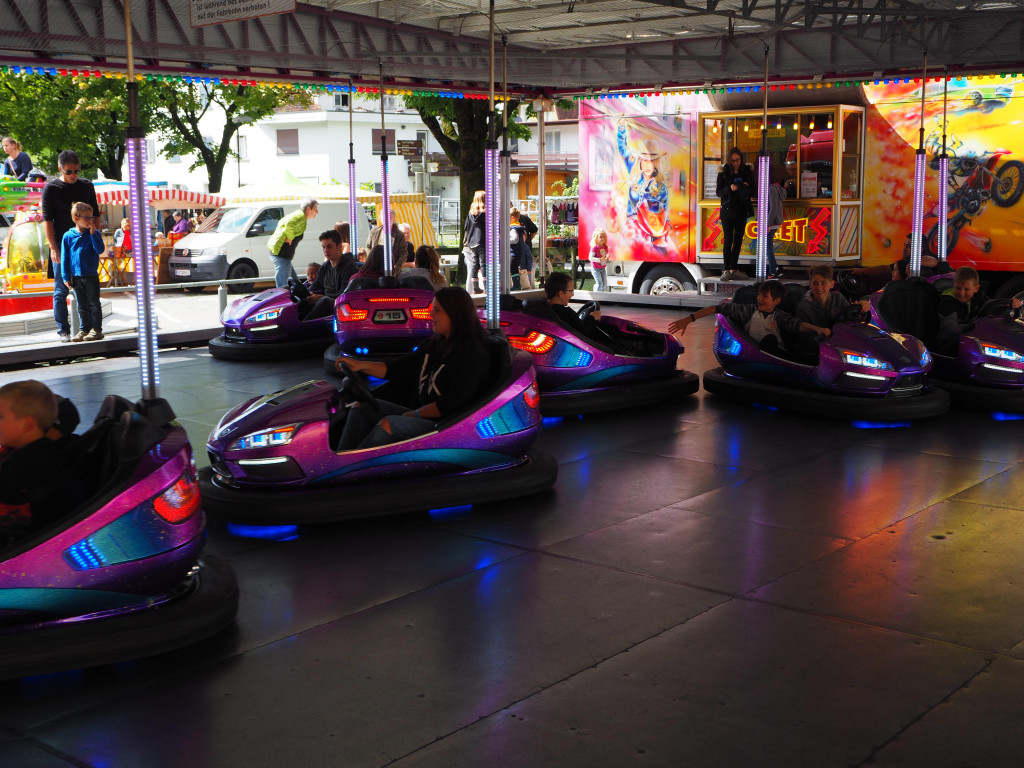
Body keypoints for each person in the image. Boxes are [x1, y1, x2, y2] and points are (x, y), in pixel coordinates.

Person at [335, 286, 490, 450]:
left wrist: (416, 414)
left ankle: (355, 464)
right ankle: (343, 455)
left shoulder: (472, 353)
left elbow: (454, 402)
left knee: (390, 424)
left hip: (445, 427)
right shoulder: (434, 345)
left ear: (455, 314)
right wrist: (360, 365)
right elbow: (397, 368)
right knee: (361, 406)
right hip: (421, 413)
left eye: (437, 310)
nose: (431, 315)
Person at [669, 280, 829, 355]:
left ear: (776, 301)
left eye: (764, 296)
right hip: (751, 354)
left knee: (778, 343)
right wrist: (689, 319)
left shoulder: (780, 316)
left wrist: (817, 329)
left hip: (777, 357)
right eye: (759, 295)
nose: (759, 299)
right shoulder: (747, 311)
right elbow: (716, 308)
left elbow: (798, 325)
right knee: (769, 341)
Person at [41, 150, 100, 343]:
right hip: (62, 241)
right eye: (69, 171)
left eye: (76, 171)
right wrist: (53, 247)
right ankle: (63, 330)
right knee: (61, 288)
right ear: (60, 169)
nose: (73, 175)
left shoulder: (86, 185)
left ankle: (91, 328)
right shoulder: (51, 188)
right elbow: (47, 220)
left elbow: (96, 215)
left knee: (87, 287)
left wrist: (95, 238)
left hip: (84, 241)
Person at [0, 380, 64, 543]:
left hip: (18, 537)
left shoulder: (29, 460)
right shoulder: (30, 449)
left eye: (1, 417)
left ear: (27, 424)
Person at [935, 266, 1021, 354]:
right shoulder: (947, 301)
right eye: (958, 288)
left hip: (969, 338)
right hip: (949, 345)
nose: (961, 293)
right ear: (954, 285)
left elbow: (990, 305)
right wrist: (977, 325)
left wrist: (1010, 304)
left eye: (966, 289)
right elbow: (950, 330)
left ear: (976, 288)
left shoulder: (978, 297)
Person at [62, 202, 106, 342]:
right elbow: (65, 257)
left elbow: (100, 249)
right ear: (76, 218)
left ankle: (96, 329)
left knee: (94, 303)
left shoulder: (94, 233)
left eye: (91, 217)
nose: (90, 220)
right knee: (81, 305)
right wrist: (65, 276)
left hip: (91, 274)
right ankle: (84, 329)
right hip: (76, 276)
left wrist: (93, 234)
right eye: (86, 218)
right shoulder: (68, 236)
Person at [304, 230, 361, 320]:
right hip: (325, 303)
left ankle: (302, 325)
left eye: (329, 247)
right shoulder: (324, 267)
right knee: (302, 300)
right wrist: (306, 295)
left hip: (341, 305)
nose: (326, 251)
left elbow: (344, 295)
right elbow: (314, 287)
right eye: (323, 247)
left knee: (325, 301)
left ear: (339, 247)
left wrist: (320, 297)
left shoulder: (349, 266)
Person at [717, 147, 754, 281]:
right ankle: (726, 269)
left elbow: (753, 190)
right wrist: (729, 188)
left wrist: (745, 186)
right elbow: (719, 192)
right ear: (729, 161)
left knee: (738, 239)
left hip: (741, 209)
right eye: (733, 161)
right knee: (728, 239)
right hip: (728, 210)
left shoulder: (746, 172)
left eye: (738, 160)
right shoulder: (723, 173)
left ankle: (733, 268)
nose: (736, 163)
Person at [796, 265, 870, 328]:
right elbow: (808, 334)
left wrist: (861, 310)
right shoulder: (805, 306)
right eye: (815, 283)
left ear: (831, 284)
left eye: (823, 283)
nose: (819, 287)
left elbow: (850, 318)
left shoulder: (838, 297)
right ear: (810, 284)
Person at [268, 198, 319, 288]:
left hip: (283, 256)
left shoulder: (300, 216)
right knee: (283, 287)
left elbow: (282, 222)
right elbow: (289, 224)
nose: (317, 212)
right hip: (282, 255)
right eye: (315, 209)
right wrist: (290, 237)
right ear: (308, 209)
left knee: (297, 285)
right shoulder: (300, 216)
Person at [546, 271, 601, 337]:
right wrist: (593, 318)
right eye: (571, 291)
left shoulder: (545, 309)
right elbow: (585, 334)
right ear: (561, 293)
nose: (572, 295)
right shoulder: (566, 314)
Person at [463, 190, 486, 293]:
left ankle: (476, 287)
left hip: (472, 243)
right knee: (483, 264)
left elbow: (466, 228)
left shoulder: (470, 215)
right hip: (482, 241)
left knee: (474, 265)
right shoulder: (485, 215)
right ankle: (486, 287)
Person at [765, 175, 787, 279]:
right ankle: (775, 269)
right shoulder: (777, 188)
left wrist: (768, 224)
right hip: (775, 221)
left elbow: (773, 207)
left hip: (772, 222)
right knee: (768, 247)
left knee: (768, 247)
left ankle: (773, 271)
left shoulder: (771, 189)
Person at [510, 208, 529, 289]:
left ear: (512, 217)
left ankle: (516, 284)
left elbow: (514, 239)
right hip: (518, 251)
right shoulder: (519, 227)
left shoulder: (513, 228)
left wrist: (505, 240)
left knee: (512, 267)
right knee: (514, 267)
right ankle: (516, 284)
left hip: (514, 251)